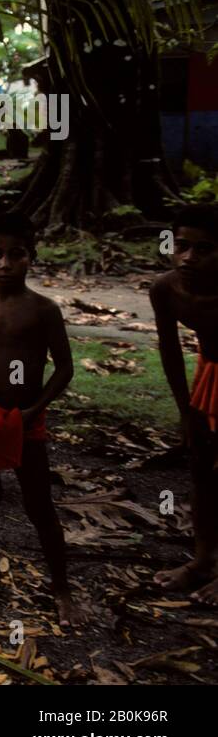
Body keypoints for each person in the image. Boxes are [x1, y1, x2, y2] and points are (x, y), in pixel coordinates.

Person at [0, 212, 85, 626]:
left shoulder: (43, 311)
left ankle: (61, 588)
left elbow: (63, 367)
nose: (5, 264)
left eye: (16, 255)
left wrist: (33, 410)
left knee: (39, 502)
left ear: (32, 258)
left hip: (26, 422)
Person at [149, 205, 218, 605]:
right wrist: (186, 410)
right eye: (182, 245)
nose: (189, 257)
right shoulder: (166, 289)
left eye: (205, 249)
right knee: (201, 470)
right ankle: (203, 560)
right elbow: (171, 352)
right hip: (209, 376)